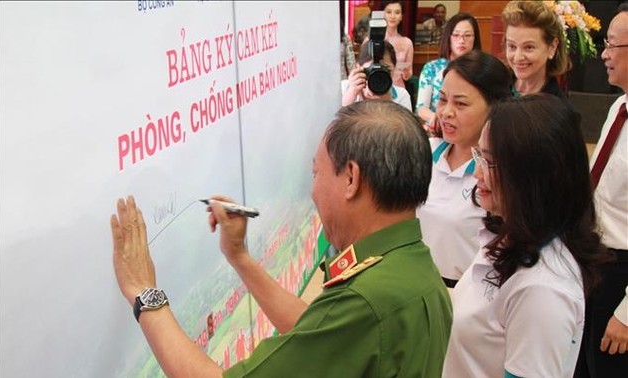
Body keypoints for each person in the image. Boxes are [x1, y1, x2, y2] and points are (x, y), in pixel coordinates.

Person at [111, 100, 453, 377]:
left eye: (316, 172)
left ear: (351, 178)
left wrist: (145, 293)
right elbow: (318, 334)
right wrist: (240, 257)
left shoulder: (366, 302)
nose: (313, 190)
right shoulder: (414, 268)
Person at [442, 94, 609, 378]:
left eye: (490, 163)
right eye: (478, 155)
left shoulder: (543, 289)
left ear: (534, 176)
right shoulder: (510, 236)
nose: (477, 173)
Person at [416, 50, 511, 288]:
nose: (446, 112)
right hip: (416, 286)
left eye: (460, 103)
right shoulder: (423, 152)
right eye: (442, 99)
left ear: (494, 106)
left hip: (466, 293)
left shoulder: (500, 173)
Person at [575, 3, 628, 377]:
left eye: (612, 45)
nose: (604, 54)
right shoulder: (619, 108)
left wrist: (626, 315)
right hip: (596, 262)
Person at [416, 12, 481, 133]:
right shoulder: (432, 68)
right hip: (438, 130)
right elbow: (421, 108)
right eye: (456, 35)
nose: (461, 40)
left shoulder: (481, 68)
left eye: (467, 35)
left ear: (475, 38)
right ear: (448, 38)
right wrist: (438, 120)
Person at [502, 0, 570, 97]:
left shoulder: (558, 107)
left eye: (528, 47)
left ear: (552, 47)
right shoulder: (492, 89)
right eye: (512, 46)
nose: (517, 57)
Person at [342, 41, 412, 110]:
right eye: (372, 69)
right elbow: (335, 119)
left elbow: (406, 121)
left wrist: (388, 103)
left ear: (394, 69)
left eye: (386, 68)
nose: (378, 74)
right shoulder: (344, 88)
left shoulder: (401, 95)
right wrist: (351, 94)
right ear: (358, 67)